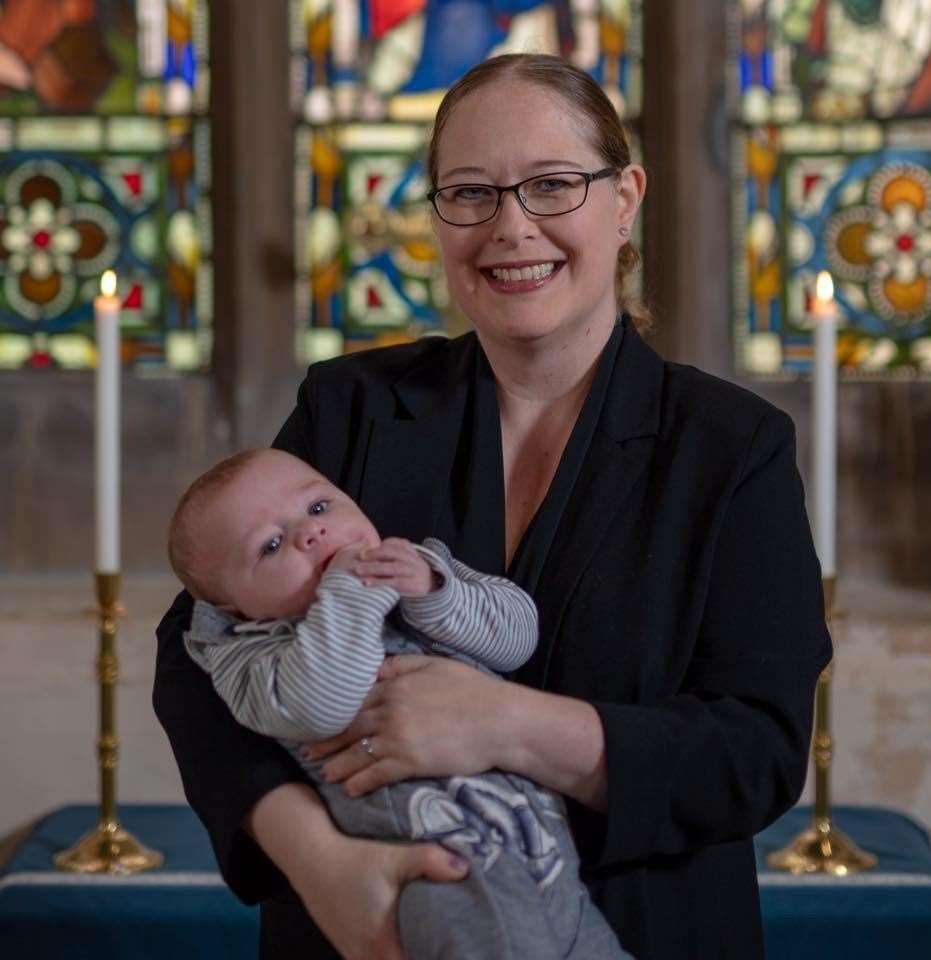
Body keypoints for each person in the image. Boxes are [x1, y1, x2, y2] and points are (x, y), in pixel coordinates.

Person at [154, 53, 832, 960]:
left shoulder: (733, 447)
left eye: (553, 186)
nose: (511, 228)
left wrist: (508, 724)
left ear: (625, 199)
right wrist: (325, 869)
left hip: (642, 927)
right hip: (365, 932)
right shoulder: (350, 407)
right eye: (470, 193)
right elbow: (196, 649)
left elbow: (757, 751)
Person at [167, 447, 630, 960]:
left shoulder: (416, 566)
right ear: (232, 609)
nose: (310, 534)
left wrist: (436, 590)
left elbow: (519, 636)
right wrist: (351, 592)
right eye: (272, 546)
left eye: (319, 508)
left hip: (545, 857)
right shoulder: (253, 650)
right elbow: (320, 705)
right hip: (439, 868)